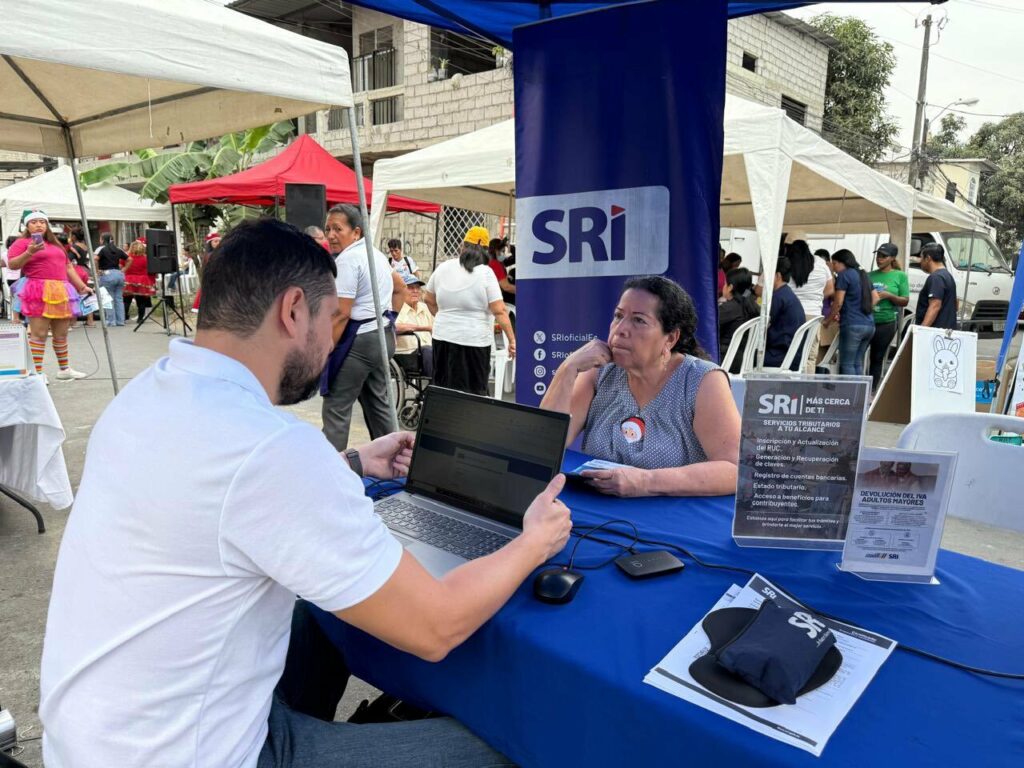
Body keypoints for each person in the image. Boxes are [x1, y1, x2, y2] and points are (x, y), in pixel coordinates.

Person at [39, 217, 572, 767]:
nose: (332, 340)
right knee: (506, 751)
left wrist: (353, 461)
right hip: (191, 755)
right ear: (294, 310)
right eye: (332, 319)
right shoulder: (270, 447)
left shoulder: (148, 393)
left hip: (99, 738)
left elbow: (224, 500)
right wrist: (533, 542)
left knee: (313, 616)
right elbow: (436, 627)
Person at [541, 275, 740, 497]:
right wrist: (567, 369)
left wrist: (646, 481)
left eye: (639, 320)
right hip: (598, 511)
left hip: (672, 518)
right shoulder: (599, 371)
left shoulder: (702, 380)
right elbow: (545, 447)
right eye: (618, 316)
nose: (620, 330)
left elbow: (734, 469)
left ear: (670, 338)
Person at [321, 204, 406, 451]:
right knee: (378, 403)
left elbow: (340, 314)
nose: (331, 235)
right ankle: (396, 460)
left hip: (359, 341)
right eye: (328, 229)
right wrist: (389, 318)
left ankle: (329, 471)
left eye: (338, 229)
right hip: (381, 336)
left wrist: (325, 349)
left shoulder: (348, 260)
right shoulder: (376, 255)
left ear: (356, 232)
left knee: (337, 406)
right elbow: (400, 289)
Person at [424, 227, 515, 396]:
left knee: (443, 388)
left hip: (443, 338)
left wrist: (446, 318)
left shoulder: (443, 268)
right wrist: (512, 339)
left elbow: (428, 299)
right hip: (474, 342)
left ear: (462, 246)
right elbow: (500, 311)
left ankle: (444, 420)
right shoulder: (486, 273)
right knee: (473, 392)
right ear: (486, 251)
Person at [5, 211, 93, 380]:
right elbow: (13, 265)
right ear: (27, 226)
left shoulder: (56, 244)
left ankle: (64, 369)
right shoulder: (21, 243)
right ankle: (37, 373)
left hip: (62, 289)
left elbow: (68, 268)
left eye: (42, 222)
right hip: (38, 289)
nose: (39, 225)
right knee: (39, 334)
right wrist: (29, 252)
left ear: (47, 225)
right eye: (34, 222)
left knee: (62, 334)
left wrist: (82, 287)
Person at [826, 249, 878, 376]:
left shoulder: (844, 275)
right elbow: (876, 298)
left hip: (852, 324)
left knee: (847, 364)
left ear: (840, 263)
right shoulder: (863, 275)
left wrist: (828, 320)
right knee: (857, 363)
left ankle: (849, 394)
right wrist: (862, 308)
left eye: (834, 263)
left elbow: (838, 302)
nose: (832, 267)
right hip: (869, 324)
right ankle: (859, 394)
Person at [786, 240, 833, 372]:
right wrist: (816, 297)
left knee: (789, 351)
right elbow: (830, 290)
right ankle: (806, 387)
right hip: (813, 315)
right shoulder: (821, 266)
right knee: (810, 356)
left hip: (790, 313)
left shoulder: (787, 266)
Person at [868, 243, 910, 390]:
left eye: (883, 256)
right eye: (878, 255)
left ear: (892, 258)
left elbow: (905, 301)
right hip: (868, 320)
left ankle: (872, 389)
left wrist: (889, 295)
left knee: (877, 357)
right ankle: (860, 387)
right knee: (859, 356)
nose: (879, 259)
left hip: (886, 321)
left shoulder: (900, 276)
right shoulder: (870, 275)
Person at [765, 256, 806, 369]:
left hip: (781, 356)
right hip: (793, 354)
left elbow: (763, 326)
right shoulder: (788, 294)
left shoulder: (778, 297)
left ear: (778, 275)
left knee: (743, 356)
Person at [718, 267, 759, 371]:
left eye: (725, 284)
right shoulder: (753, 307)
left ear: (730, 287)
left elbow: (707, 327)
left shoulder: (729, 309)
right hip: (747, 359)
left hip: (727, 359)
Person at [395, 272, 434, 378]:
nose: (415, 291)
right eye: (411, 288)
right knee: (427, 350)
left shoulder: (424, 307)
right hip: (407, 355)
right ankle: (435, 388)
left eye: (417, 288)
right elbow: (394, 328)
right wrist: (424, 328)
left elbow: (436, 326)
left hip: (428, 352)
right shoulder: (397, 308)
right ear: (402, 291)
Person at [915, 242, 959, 330]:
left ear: (928, 258)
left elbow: (935, 306)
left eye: (921, 258)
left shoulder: (936, 278)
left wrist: (921, 330)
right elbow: (956, 304)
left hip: (934, 333)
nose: (920, 262)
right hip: (944, 331)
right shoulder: (947, 275)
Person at [95, 233, 127, 326]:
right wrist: (124, 269)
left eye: (100, 239)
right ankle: (120, 321)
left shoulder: (101, 249)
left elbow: (95, 259)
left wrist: (97, 271)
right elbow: (129, 259)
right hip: (118, 274)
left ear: (103, 240)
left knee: (108, 299)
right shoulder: (118, 249)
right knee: (119, 299)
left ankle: (111, 321)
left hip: (106, 274)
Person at [123, 239, 157, 326]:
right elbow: (151, 271)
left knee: (126, 300)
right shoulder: (146, 259)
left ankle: (123, 318)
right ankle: (140, 319)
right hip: (142, 280)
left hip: (128, 280)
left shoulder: (126, 257)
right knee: (141, 301)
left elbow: (121, 267)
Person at [487, 237, 516, 306]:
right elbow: (506, 287)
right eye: (503, 251)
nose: (504, 254)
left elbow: (515, 259)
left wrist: (508, 246)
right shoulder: (495, 264)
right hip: (497, 299)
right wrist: (524, 290)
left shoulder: (495, 262)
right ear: (497, 251)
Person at [2, 235, 21, 322]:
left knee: (14, 298)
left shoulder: (4, 253)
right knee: (20, 299)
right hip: (19, 277)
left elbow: (2, 264)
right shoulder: (19, 253)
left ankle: (15, 318)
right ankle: (17, 318)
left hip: (10, 279)